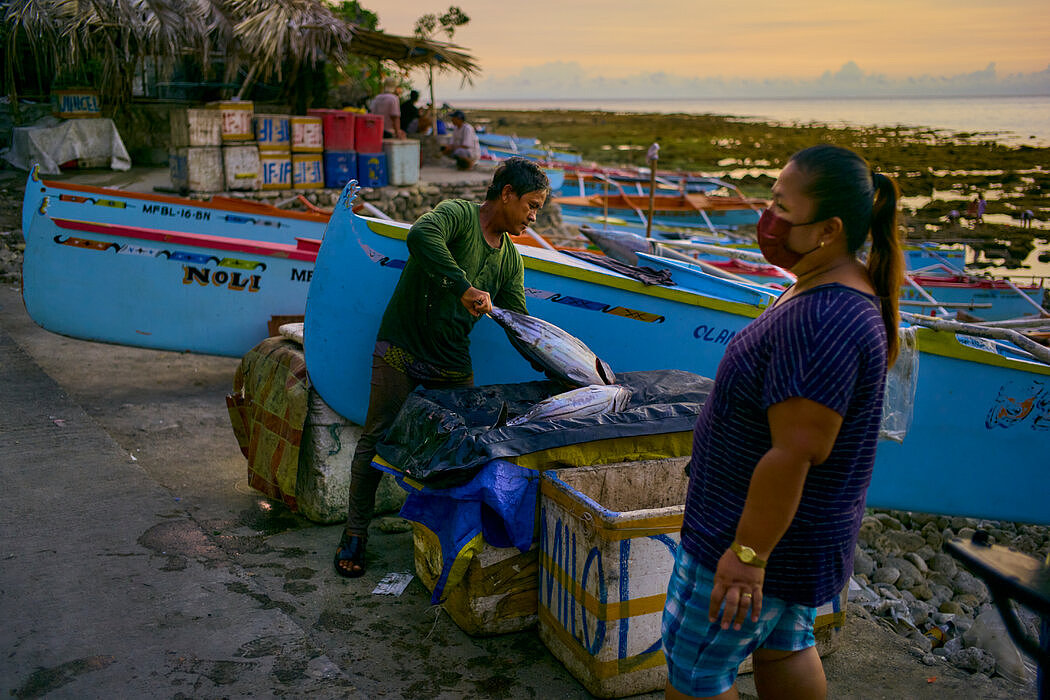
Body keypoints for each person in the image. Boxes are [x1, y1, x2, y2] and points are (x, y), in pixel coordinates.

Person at [662, 144, 904, 700]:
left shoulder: (824, 318)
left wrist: (746, 559)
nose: (766, 218)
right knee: (785, 646)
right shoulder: (826, 287)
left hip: (757, 541)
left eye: (780, 205)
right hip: (794, 542)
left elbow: (796, 451)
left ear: (829, 229)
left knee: (696, 672)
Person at [333, 157, 550, 578]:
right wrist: (463, 287)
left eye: (538, 207)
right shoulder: (457, 215)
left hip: (451, 365)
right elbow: (420, 235)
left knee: (460, 453)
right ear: (507, 194)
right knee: (376, 439)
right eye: (531, 204)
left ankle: (441, 538)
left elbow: (518, 321)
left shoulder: (510, 260)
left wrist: (551, 361)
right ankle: (355, 534)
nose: (534, 216)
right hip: (401, 349)